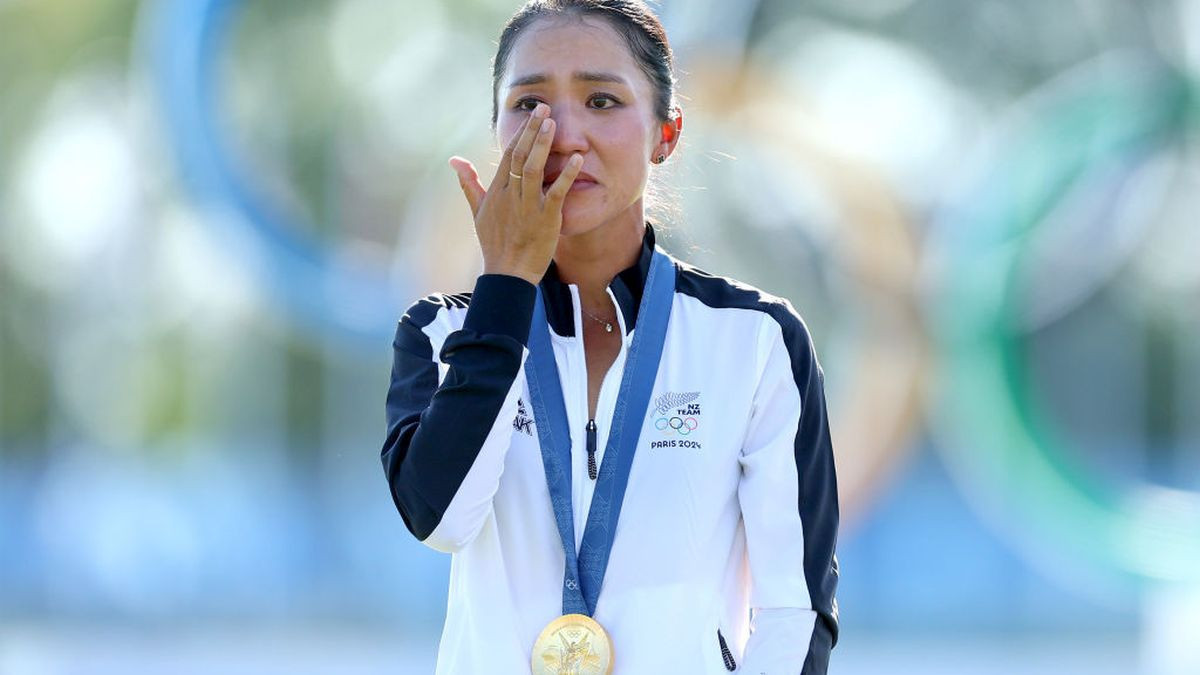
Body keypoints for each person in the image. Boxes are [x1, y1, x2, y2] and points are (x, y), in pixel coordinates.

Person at [380, 1, 839, 672]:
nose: (563, 134)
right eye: (529, 103)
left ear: (666, 133)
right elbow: (440, 517)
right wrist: (505, 286)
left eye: (601, 100)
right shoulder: (441, 332)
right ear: (497, 132)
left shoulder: (757, 341)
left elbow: (795, 612)